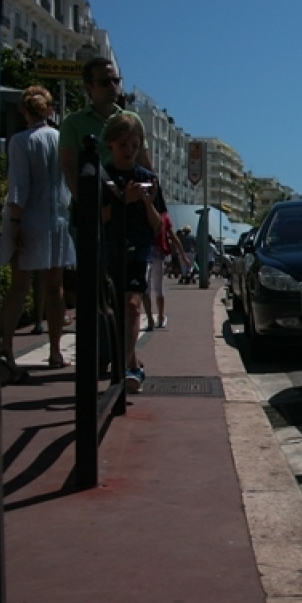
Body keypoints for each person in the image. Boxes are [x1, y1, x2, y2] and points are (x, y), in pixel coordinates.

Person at [0, 85, 75, 374]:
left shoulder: (20, 141)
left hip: (29, 218)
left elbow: (19, 186)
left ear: (24, 111)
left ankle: (7, 344)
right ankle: (55, 351)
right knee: (54, 286)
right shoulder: (60, 138)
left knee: (20, 285)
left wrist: (14, 224)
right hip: (57, 219)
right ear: (49, 110)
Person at [101, 111, 166, 393]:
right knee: (114, 309)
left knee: (132, 305)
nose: (129, 151)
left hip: (139, 249)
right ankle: (133, 365)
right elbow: (98, 218)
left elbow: (156, 226)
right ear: (111, 145)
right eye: (123, 144)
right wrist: (122, 201)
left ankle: (124, 367)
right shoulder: (102, 175)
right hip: (111, 250)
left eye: (134, 145)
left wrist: (147, 202)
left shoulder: (148, 178)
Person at [59, 56, 151, 198]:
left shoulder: (132, 120)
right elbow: (70, 169)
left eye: (116, 81)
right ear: (89, 87)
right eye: (104, 82)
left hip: (130, 205)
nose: (112, 87)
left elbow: (144, 164)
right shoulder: (73, 123)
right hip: (93, 204)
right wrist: (87, 207)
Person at [143, 210, 183, 330]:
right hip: (158, 254)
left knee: (146, 288)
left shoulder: (143, 212)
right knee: (158, 287)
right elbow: (173, 236)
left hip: (144, 252)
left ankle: (150, 319)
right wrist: (182, 254)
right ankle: (160, 317)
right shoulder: (164, 217)